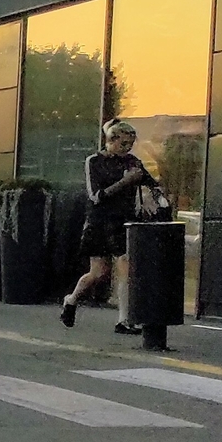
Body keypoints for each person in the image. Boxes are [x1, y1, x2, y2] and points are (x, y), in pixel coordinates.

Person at [62, 120, 160, 332]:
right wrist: (125, 182)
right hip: (99, 221)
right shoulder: (94, 162)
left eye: (131, 144)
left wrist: (149, 192)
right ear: (111, 141)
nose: (127, 149)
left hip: (123, 221)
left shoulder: (132, 162)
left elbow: (151, 182)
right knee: (98, 273)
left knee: (125, 265)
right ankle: (71, 299)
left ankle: (124, 320)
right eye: (123, 144)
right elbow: (96, 196)